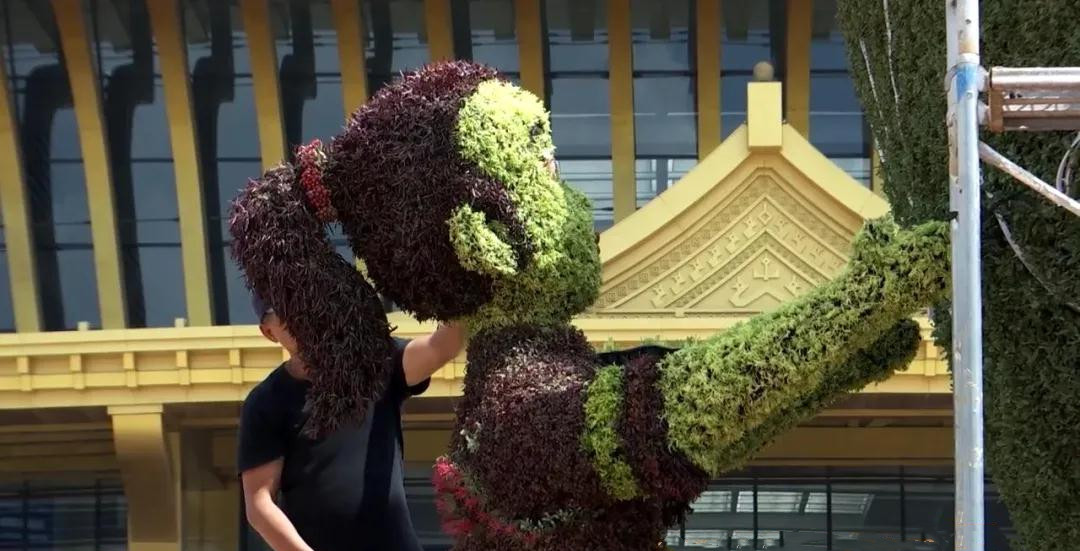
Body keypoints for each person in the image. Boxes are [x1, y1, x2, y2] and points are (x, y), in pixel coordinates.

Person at [239, 294, 466, 551]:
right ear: (269, 331)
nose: (301, 315)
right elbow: (259, 504)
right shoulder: (266, 402)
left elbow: (443, 347)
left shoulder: (376, 363)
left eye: (305, 299)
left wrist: (448, 287)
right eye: (286, 311)